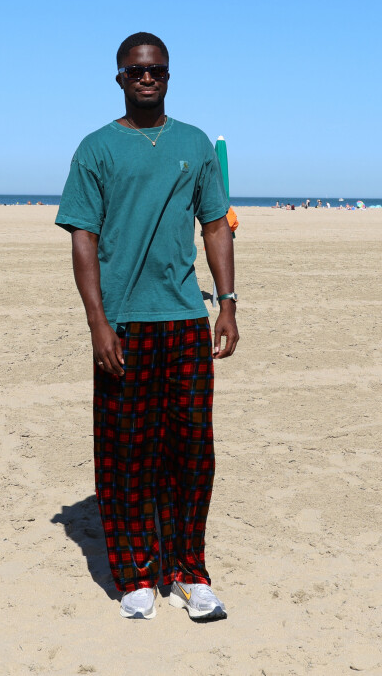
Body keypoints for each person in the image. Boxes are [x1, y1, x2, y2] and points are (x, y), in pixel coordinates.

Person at [56, 32, 239, 623]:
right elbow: (83, 236)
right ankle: (135, 576)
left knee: (192, 454)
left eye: (156, 70)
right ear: (119, 77)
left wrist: (228, 304)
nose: (147, 78)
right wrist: (98, 324)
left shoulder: (194, 144)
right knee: (123, 453)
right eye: (136, 71)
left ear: (168, 75)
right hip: (124, 327)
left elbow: (215, 226)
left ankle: (188, 572)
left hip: (185, 319)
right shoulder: (95, 148)